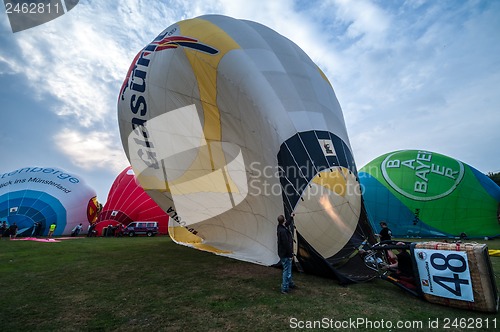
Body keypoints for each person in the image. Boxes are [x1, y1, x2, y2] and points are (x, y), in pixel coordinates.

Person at [277, 213, 296, 294]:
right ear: (283, 220)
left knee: (288, 269)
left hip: (282, 253)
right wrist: (290, 254)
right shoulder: (283, 231)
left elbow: (286, 224)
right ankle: (284, 288)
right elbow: (286, 244)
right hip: (285, 254)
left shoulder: (280, 227)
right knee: (286, 270)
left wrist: (291, 217)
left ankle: (290, 283)